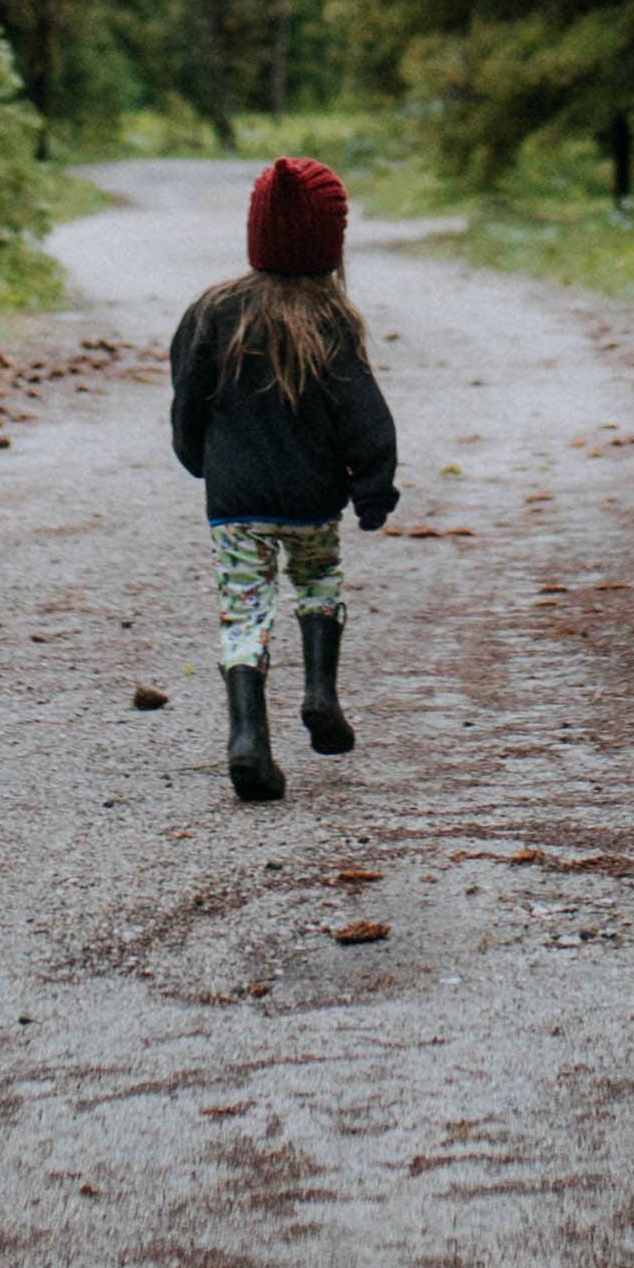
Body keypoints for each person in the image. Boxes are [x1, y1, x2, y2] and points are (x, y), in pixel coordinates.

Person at [167, 156, 400, 803]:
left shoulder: (213, 311)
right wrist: (373, 489)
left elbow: (188, 398)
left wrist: (197, 459)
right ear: (330, 243)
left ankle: (248, 739)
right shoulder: (332, 318)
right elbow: (366, 417)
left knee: (244, 614)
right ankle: (320, 693)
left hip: (235, 503)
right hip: (311, 502)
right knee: (318, 583)